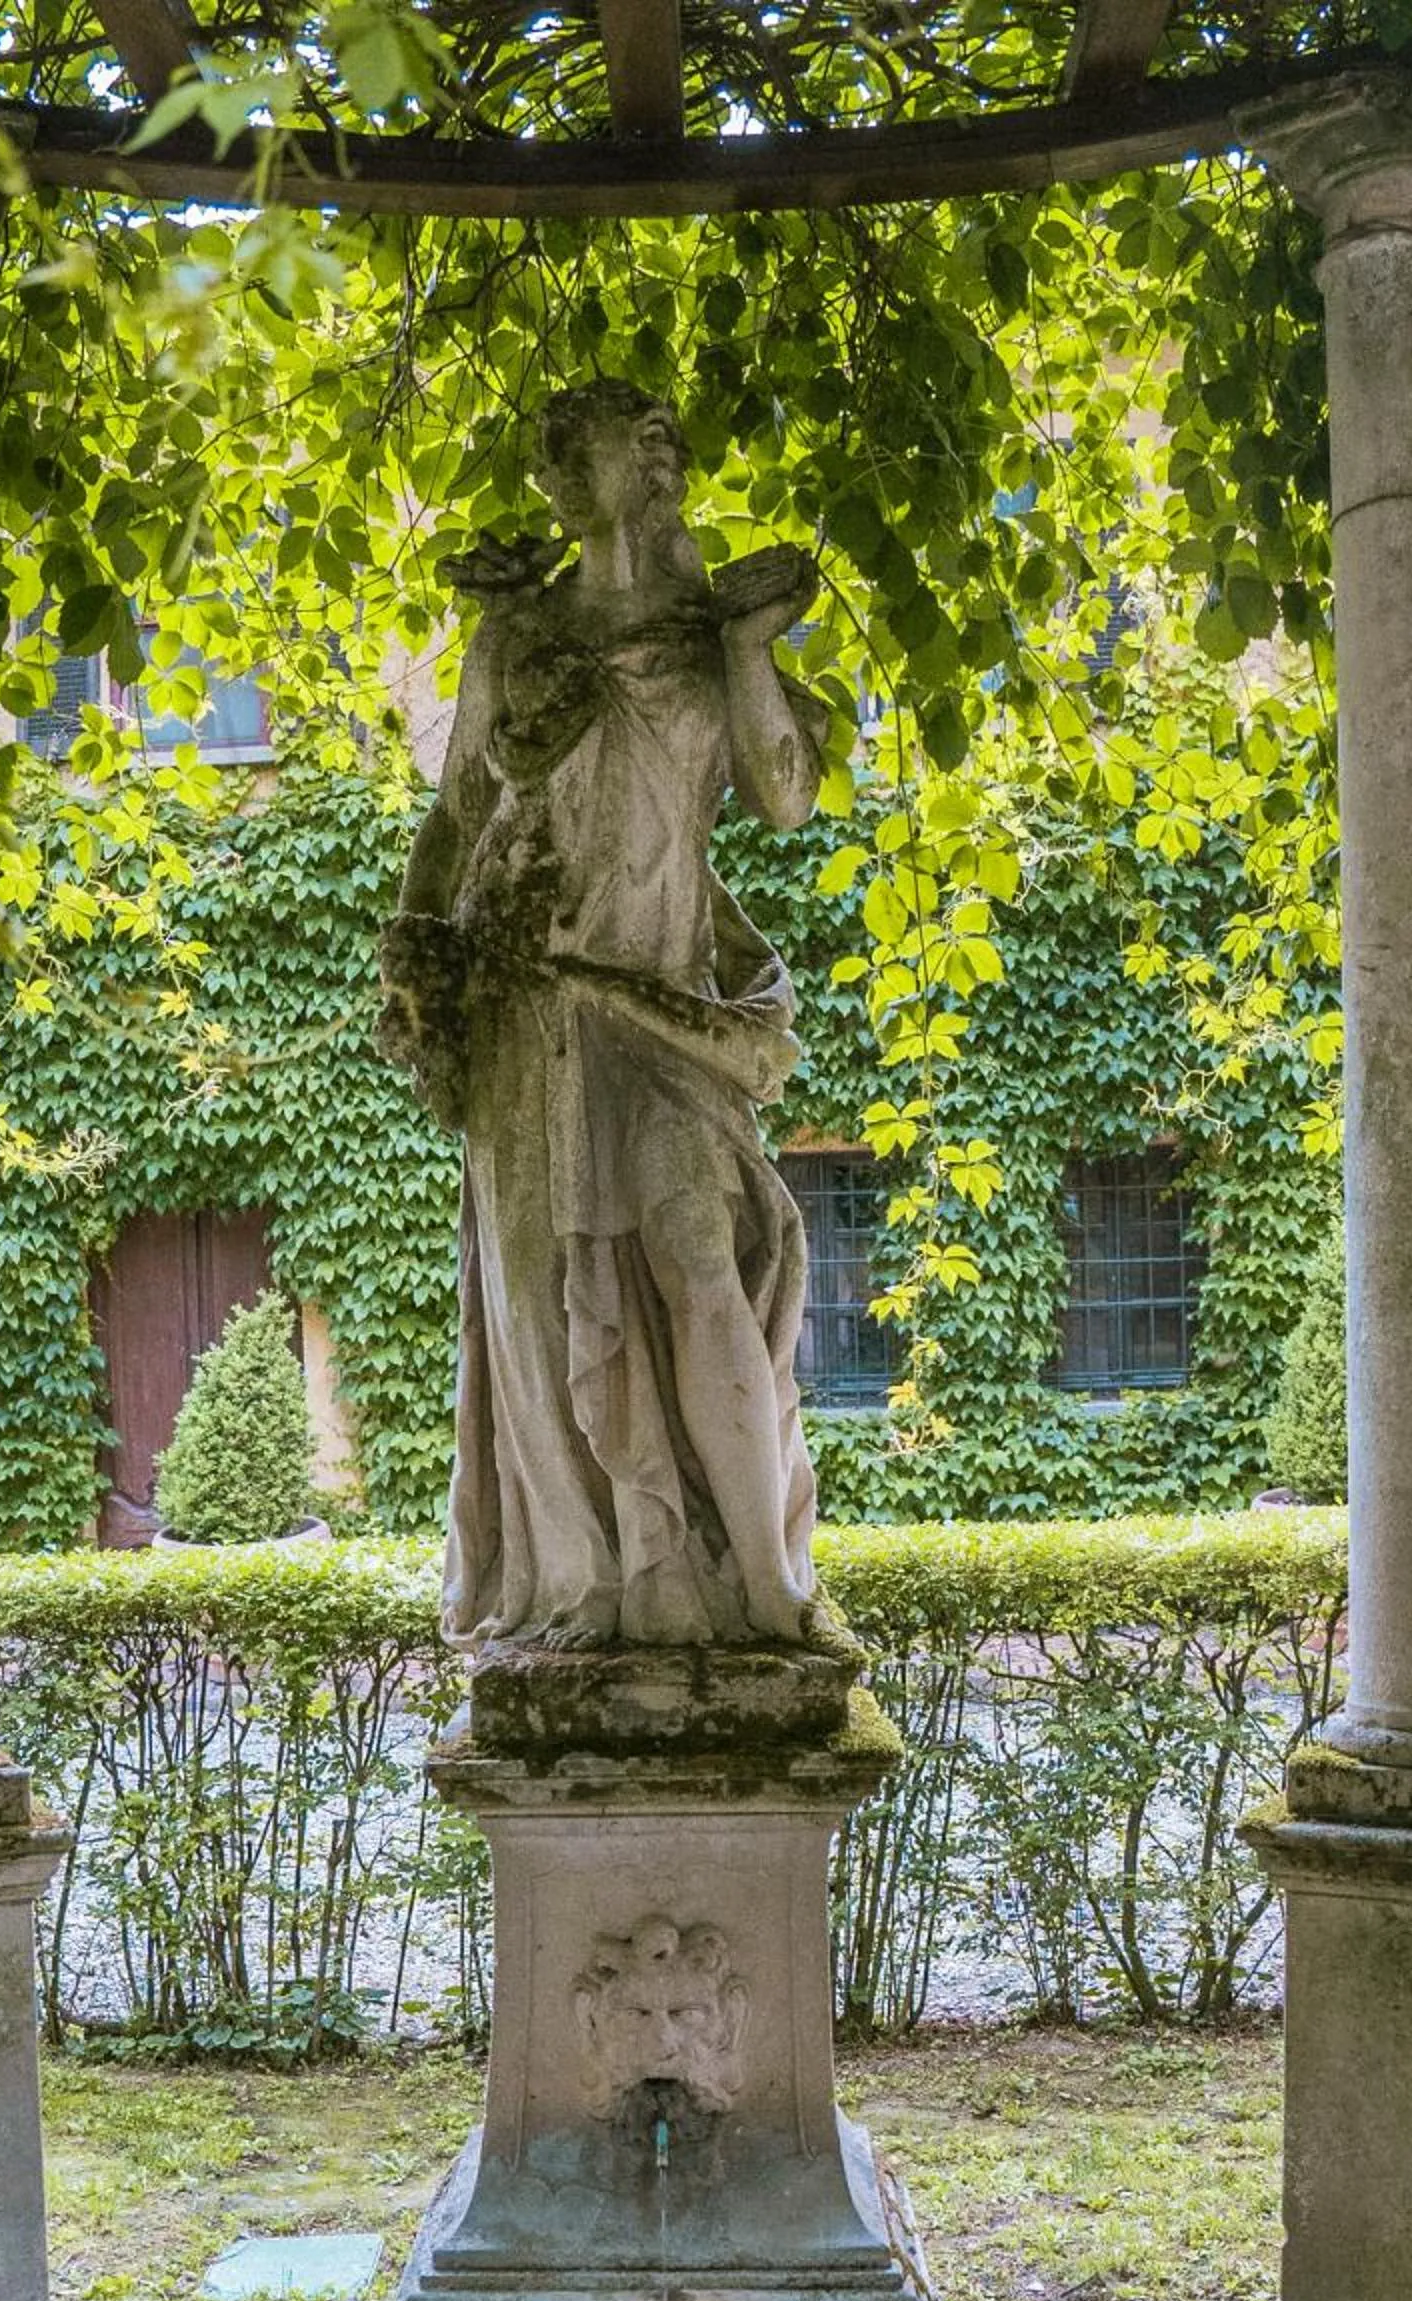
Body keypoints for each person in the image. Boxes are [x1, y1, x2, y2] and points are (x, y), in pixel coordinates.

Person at [380, 378, 838, 1653]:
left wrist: (750, 652)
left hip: (666, 1008)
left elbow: (783, 795)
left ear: (648, 462)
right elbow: (460, 816)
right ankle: (592, 1582)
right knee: (540, 1304)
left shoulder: (707, 634)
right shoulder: (515, 638)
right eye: (540, 456)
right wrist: (416, 956)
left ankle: (768, 1587)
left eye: (565, 449)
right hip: (530, 1014)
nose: (547, 478)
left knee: (699, 1256)